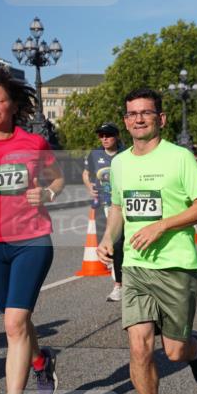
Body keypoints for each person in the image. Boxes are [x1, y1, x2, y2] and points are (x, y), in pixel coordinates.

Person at [97, 88, 197, 394]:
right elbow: (119, 207)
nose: (138, 119)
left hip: (176, 265)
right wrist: (107, 239)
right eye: (132, 113)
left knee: (175, 352)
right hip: (135, 266)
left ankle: (195, 348)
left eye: (145, 113)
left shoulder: (179, 158)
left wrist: (162, 225)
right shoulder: (119, 163)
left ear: (160, 119)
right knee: (139, 346)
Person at [0, 68, 63, 394]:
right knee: (17, 322)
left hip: (31, 239)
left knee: (12, 324)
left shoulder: (33, 143)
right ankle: (41, 360)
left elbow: (57, 177)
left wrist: (50, 193)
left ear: (12, 104)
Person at [83, 122, 126, 301]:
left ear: (116, 136)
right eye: (101, 135)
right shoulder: (95, 154)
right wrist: (88, 187)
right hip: (103, 205)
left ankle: (120, 285)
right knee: (109, 246)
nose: (104, 139)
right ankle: (119, 282)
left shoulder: (126, 153)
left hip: (123, 206)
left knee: (120, 245)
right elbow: (86, 173)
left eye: (108, 135)